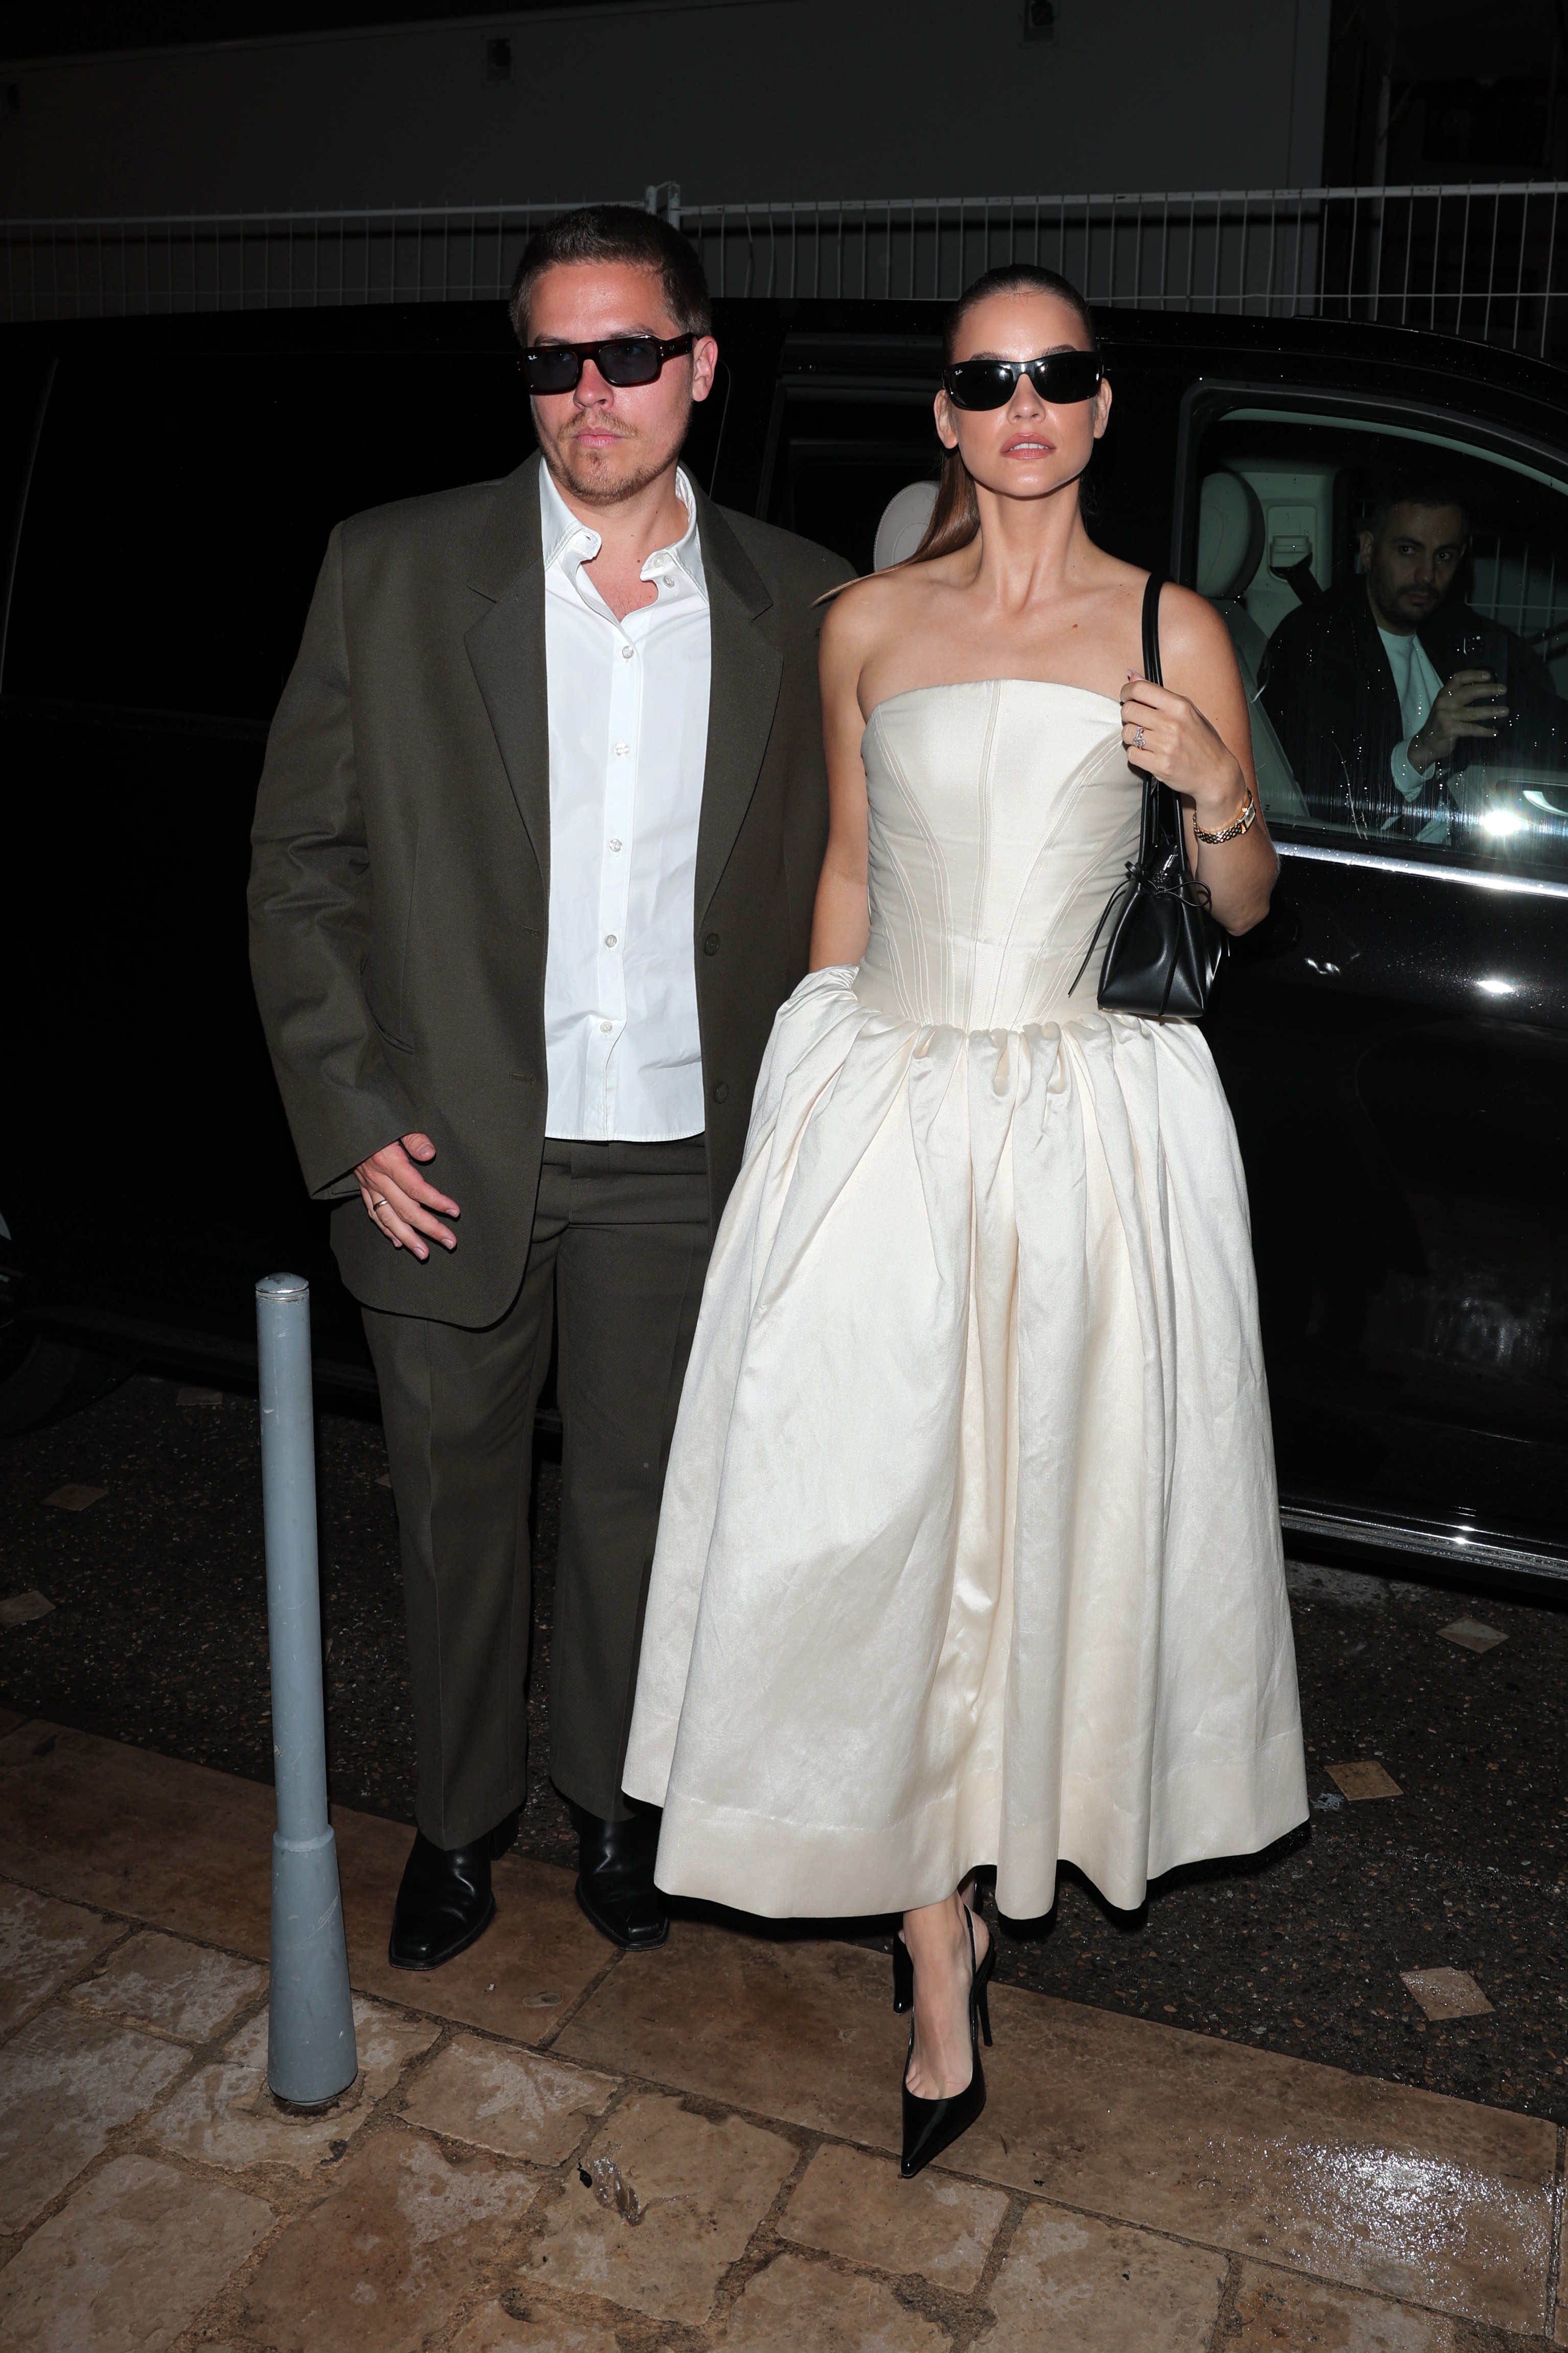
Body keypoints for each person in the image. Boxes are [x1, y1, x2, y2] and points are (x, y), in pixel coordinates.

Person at [623, 264, 1308, 2176]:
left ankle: (991, 1863)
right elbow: (849, 866)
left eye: (1058, 372)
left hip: (1088, 1122)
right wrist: (801, 1112)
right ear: (945, 415)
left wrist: (1217, 783)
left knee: (1041, 1517)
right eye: (985, 376)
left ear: (1100, 411)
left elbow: (1241, 905)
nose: (1022, 403)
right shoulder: (862, 623)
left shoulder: (1174, 627)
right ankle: (933, 1938)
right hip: (891, 1110)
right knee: (879, 1519)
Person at [249, 205, 852, 1972]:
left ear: (698, 367)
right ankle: (456, 1823)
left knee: (640, 1509)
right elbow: (298, 864)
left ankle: (614, 1806)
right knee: (450, 1511)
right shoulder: (390, 568)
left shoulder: (803, 599)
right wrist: (352, 1111)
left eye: (629, 355)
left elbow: (860, 879)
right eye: (552, 360)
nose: (591, 394)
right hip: (440, 1149)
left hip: (683, 1153)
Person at [1261, 472, 1565, 842]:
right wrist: (1422, 749)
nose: (1426, 575)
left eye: (1444, 556)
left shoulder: (1450, 628)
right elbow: (1327, 806)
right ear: (1369, 549)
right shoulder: (1314, 642)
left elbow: (1529, 711)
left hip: (1469, 836)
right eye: (1407, 550)